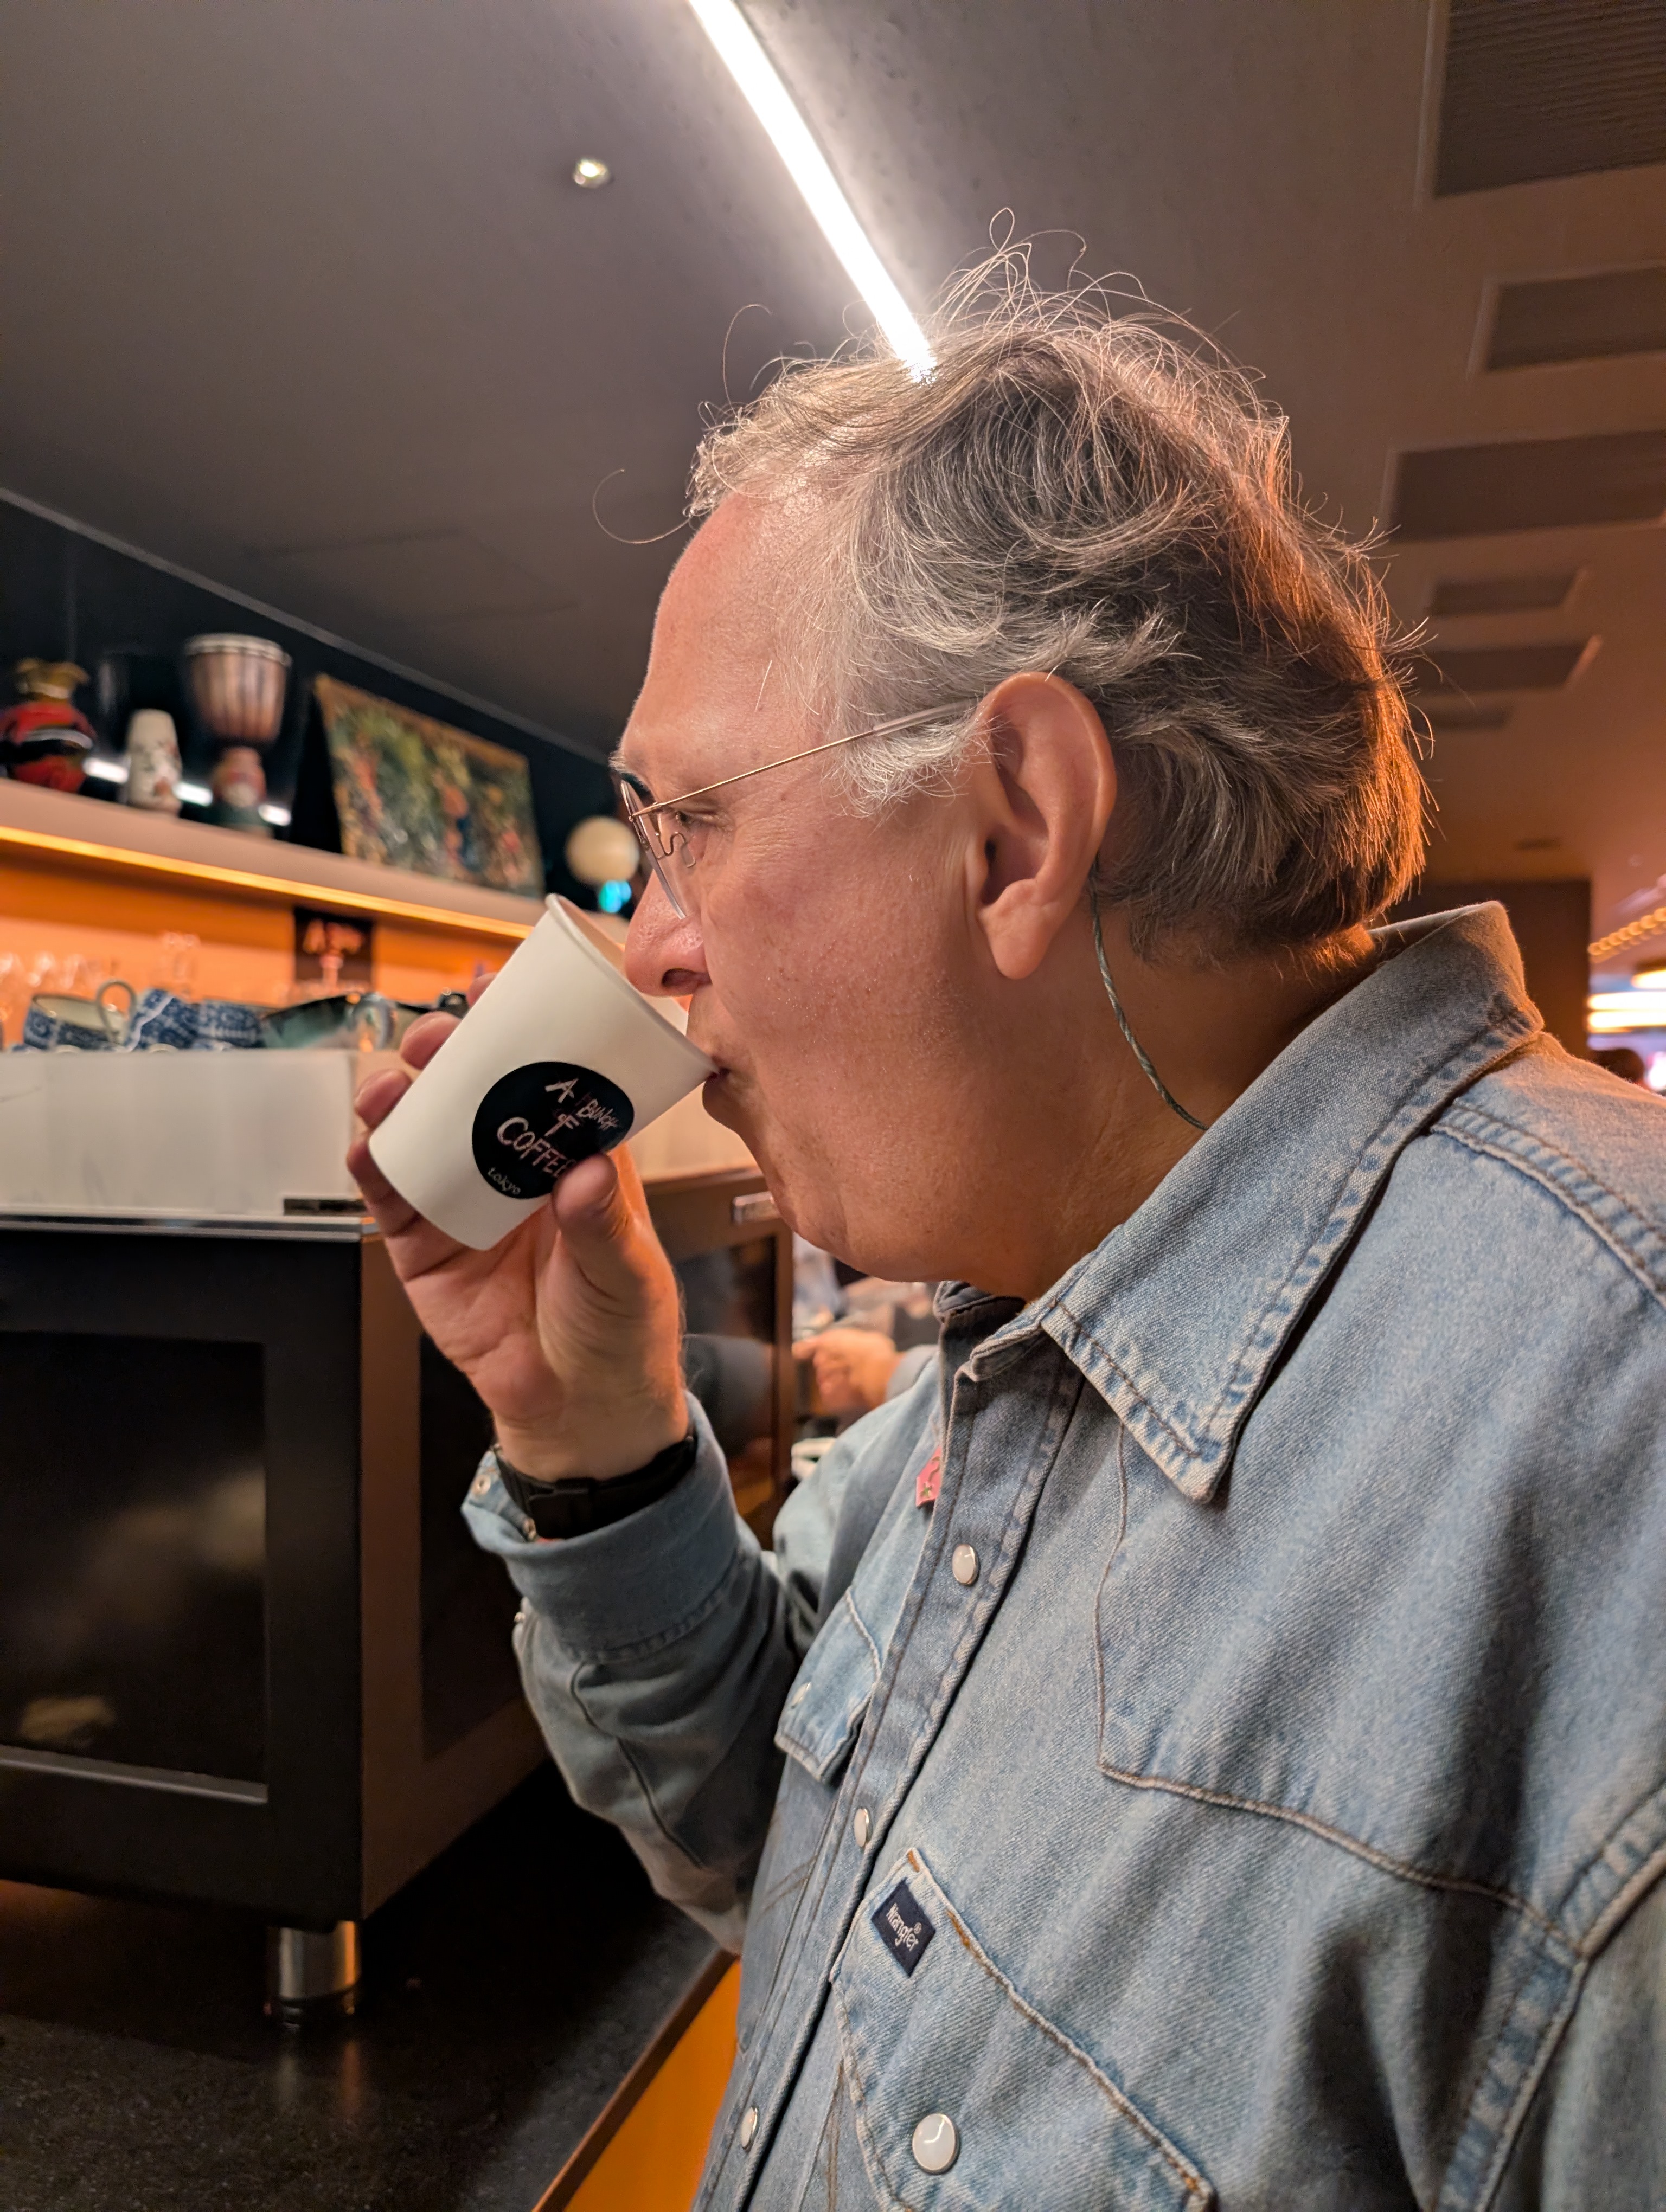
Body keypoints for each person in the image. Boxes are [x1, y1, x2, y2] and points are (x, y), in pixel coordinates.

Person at [351, 278, 1666, 2208]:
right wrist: (593, 1436)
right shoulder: (1041, 1304)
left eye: (689, 823)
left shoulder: (1618, 1484)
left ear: (1020, 829)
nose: (652, 949)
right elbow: (791, 1838)